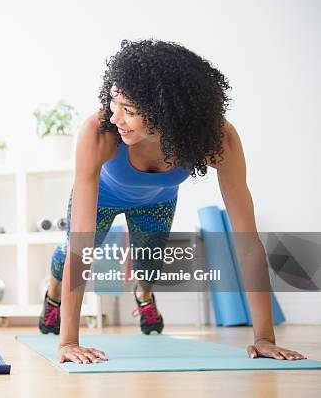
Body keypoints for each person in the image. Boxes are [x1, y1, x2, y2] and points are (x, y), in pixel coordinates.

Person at [38, 39, 307, 363]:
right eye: (113, 101)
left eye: (130, 111)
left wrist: (264, 338)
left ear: (167, 114)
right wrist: (68, 342)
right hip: (104, 198)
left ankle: (144, 294)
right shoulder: (99, 132)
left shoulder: (217, 139)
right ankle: (53, 297)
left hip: (157, 201)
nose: (116, 116)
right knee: (69, 249)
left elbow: (247, 243)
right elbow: (83, 247)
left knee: (149, 263)